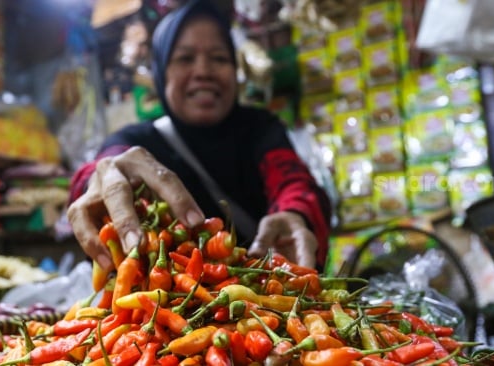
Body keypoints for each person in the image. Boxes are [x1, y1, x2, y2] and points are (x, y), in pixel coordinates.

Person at [67, 0, 331, 273]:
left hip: (272, 300)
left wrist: (295, 214)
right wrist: (97, 184)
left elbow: (293, 182)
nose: (204, 72)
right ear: (160, 71)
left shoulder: (261, 128)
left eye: (219, 58)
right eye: (184, 58)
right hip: (169, 311)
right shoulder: (136, 141)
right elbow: (101, 171)